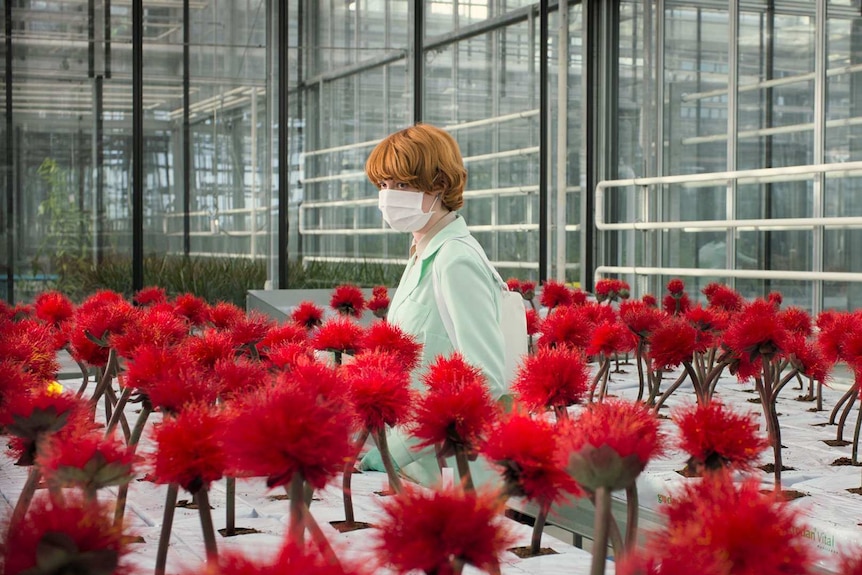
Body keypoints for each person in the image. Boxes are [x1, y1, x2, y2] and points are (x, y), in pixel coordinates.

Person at [358, 123, 507, 486]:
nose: (389, 196)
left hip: (444, 472)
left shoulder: (455, 260)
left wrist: (392, 452)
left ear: (439, 185)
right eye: (384, 185)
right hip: (410, 464)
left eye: (403, 185)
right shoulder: (423, 254)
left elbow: (485, 380)